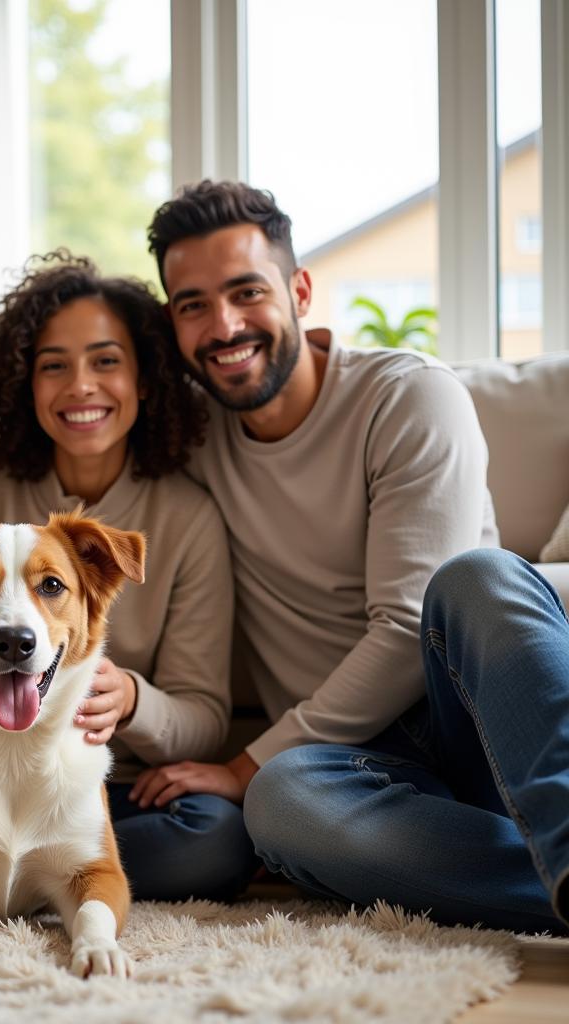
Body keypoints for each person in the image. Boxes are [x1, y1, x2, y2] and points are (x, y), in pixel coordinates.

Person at [132, 178, 569, 933]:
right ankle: (548, 891)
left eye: (246, 291)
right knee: (279, 803)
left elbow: (406, 631)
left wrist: (241, 766)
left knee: (476, 578)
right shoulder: (189, 440)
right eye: (192, 305)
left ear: (299, 290)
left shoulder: (407, 396)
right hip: (358, 774)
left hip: (474, 714)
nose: (224, 325)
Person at [0, 252, 258, 902]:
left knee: (216, 836)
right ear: (26, 384)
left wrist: (130, 698)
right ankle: (29, 882)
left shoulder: (187, 519)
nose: (80, 386)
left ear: (145, 379)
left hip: (112, 788)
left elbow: (204, 717)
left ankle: (23, 884)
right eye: (53, 366)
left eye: (105, 361)